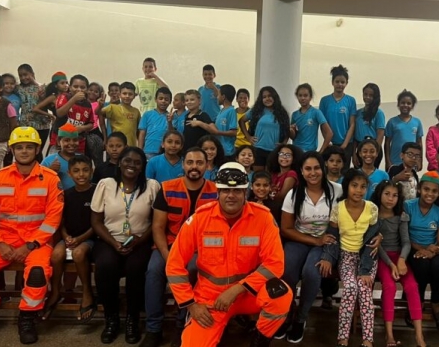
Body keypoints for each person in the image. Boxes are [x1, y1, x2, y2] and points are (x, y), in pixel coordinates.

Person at [166, 162, 292, 347]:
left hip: (248, 294)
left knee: (281, 294)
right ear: (218, 192)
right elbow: (174, 265)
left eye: (238, 191)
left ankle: (260, 340)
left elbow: (275, 263)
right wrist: (191, 305)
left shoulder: (263, 217)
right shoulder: (200, 219)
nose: (231, 195)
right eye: (225, 190)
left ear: (245, 192)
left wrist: (236, 290)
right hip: (211, 299)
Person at [0, 126, 63, 344]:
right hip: (2, 241)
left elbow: (53, 218)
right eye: (20, 147)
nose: (25, 151)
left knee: (38, 273)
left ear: (38, 149)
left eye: (29, 147)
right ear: (12, 150)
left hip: (37, 243)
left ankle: (27, 318)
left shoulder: (50, 178)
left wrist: (29, 245)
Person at [143, 148, 217, 347]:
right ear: (183, 165)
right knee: (153, 271)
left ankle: (181, 325)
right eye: (190, 162)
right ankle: (153, 329)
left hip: (200, 250)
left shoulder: (216, 192)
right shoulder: (166, 188)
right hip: (169, 246)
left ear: (207, 166)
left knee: (192, 270)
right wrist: (169, 257)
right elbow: (157, 227)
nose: (194, 167)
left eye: (199, 163)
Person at [91, 147, 160, 344]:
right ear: (119, 162)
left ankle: (132, 319)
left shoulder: (152, 186)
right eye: (127, 161)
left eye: (137, 162)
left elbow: (157, 222)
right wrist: (113, 243)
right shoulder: (106, 184)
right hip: (108, 238)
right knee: (105, 265)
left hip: (140, 240)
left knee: (136, 268)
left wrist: (140, 239)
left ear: (142, 167)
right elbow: (96, 221)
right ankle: (111, 319)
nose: (132, 165)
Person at [277, 152, 342, 343]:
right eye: (308, 169)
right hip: (299, 239)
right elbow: (286, 229)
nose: (313, 173)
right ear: (302, 172)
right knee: (286, 270)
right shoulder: (294, 194)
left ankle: (300, 319)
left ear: (322, 169)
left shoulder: (337, 190)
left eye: (316, 168)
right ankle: (286, 314)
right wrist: (315, 240)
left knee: (312, 273)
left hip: (326, 241)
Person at [318, 169, 379, 347]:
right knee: (351, 288)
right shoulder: (338, 209)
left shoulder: (371, 208)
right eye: (354, 185)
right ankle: (342, 336)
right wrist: (328, 257)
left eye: (363, 187)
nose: (359, 190)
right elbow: (332, 236)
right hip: (346, 256)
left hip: (367, 257)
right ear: (347, 186)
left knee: (365, 290)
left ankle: (368, 339)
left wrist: (365, 270)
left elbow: (372, 240)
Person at [43, 155, 97, 322]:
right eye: (76, 171)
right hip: (69, 237)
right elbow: (61, 221)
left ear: (92, 171)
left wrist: (79, 239)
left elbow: (98, 223)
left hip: (89, 238)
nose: (81, 174)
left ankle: (87, 292)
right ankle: (56, 290)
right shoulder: (65, 194)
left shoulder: (97, 192)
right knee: (56, 255)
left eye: (85, 170)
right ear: (70, 174)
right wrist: (66, 237)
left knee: (78, 254)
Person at [373, 181, 427, 347]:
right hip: (382, 257)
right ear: (379, 195)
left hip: (400, 256)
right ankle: (389, 334)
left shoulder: (401, 216)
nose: (390, 198)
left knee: (412, 286)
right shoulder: (373, 216)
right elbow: (377, 245)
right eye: (387, 194)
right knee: (389, 286)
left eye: (395, 195)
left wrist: (402, 260)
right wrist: (391, 264)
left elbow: (406, 242)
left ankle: (419, 336)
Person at [404, 171, 439, 329]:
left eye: (434, 191)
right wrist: (422, 250)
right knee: (421, 266)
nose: (430, 194)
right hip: (411, 248)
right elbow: (404, 236)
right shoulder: (408, 206)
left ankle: (436, 303)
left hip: (433, 250)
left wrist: (432, 251)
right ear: (419, 189)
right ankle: (418, 302)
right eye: (426, 189)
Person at [240, 87, 290, 171]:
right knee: (257, 177)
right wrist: (248, 137)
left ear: (274, 97)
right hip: (258, 149)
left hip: (273, 150)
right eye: (264, 97)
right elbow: (241, 121)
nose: (267, 99)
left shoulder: (282, 113)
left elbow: (287, 129)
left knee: (269, 177)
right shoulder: (256, 110)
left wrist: (284, 143)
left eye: (269, 96)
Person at [320, 65, 357, 171]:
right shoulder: (325, 101)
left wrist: (344, 144)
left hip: (346, 145)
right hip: (330, 144)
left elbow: (352, 124)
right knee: (329, 173)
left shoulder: (351, 100)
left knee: (343, 174)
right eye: (337, 81)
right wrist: (328, 142)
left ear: (346, 83)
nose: (340, 84)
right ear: (332, 82)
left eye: (342, 82)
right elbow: (323, 124)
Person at [52, 74, 94, 155]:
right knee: (56, 163)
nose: (79, 89)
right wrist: (74, 99)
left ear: (87, 89)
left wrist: (82, 128)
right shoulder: (64, 97)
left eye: (82, 87)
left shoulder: (87, 104)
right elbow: (59, 113)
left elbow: (91, 124)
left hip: (78, 141)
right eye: (75, 86)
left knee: (76, 164)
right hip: (60, 140)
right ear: (70, 87)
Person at [17, 64, 52, 158]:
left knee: (38, 152)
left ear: (32, 74)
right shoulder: (18, 89)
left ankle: (38, 172)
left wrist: (42, 96)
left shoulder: (43, 87)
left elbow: (50, 104)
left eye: (26, 74)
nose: (23, 77)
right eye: (21, 75)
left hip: (42, 124)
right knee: (27, 152)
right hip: (25, 125)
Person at [385, 89, 423, 171]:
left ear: (412, 106)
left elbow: (419, 143)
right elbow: (387, 143)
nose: (405, 105)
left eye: (408, 103)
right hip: (395, 161)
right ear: (398, 104)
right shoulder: (392, 122)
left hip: (411, 162)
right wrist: (388, 161)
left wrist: (420, 161)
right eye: (402, 103)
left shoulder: (417, 122)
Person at [290, 83, 332, 154]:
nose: (303, 98)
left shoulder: (316, 112)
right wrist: (290, 130)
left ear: (310, 97)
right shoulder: (294, 115)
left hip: (310, 152)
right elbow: (293, 136)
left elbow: (329, 133)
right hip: (296, 151)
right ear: (297, 97)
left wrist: (321, 151)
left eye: (305, 95)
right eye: (300, 95)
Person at [98, 81, 141, 147]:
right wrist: (100, 105)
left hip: (131, 146)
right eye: (124, 93)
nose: (127, 96)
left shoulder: (136, 111)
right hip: (116, 146)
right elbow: (98, 112)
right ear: (119, 95)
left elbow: (138, 131)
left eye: (130, 94)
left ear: (134, 96)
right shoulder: (112, 107)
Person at [265, 144, 301, 221]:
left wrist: (266, 193)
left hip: (282, 211)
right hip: (270, 209)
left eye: (288, 155)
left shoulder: (291, 173)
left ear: (293, 158)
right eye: (281, 154)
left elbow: (282, 196)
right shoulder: (273, 174)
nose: (284, 157)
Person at [353, 83, 385, 167]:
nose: (367, 97)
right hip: (360, 149)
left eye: (371, 95)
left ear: (375, 97)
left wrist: (375, 152)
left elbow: (380, 135)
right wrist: (354, 154)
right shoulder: (358, 113)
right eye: (365, 94)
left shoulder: (379, 113)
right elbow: (355, 137)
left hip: (373, 148)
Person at [137, 86, 171, 159]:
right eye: (160, 98)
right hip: (148, 151)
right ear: (155, 100)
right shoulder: (147, 114)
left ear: (170, 102)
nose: (163, 101)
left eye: (166, 99)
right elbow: (142, 134)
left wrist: (170, 122)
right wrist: (139, 151)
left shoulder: (171, 117)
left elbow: (171, 133)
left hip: (164, 152)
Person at [213, 84, 238, 159]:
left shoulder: (231, 111)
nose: (217, 97)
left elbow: (234, 132)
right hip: (219, 149)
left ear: (223, 97)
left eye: (218, 95)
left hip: (227, 152)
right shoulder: (221, 111)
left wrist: (218, 132)